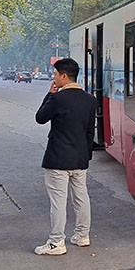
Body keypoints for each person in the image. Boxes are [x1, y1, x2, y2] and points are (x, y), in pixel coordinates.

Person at [34, 58, 97, 256]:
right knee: (81, 197)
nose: (53, 78)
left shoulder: (58, 99)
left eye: (54, 74)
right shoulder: (89, 99)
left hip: (58, 159)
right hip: (80, 159)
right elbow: (89, 131)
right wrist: (86, 156)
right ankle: (82, 235)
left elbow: (40, 118)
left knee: (58, 202)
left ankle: (56, 242)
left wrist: (49, 95)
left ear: (63, 76)